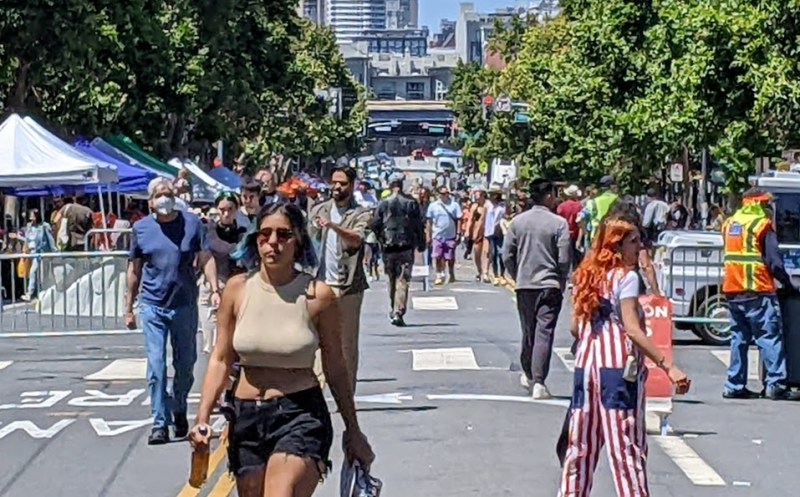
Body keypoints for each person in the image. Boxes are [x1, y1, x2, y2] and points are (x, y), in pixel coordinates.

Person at [191, 202, 374, 497]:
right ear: (255, 240)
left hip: (299, 414)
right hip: (247, 417)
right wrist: (202, 419)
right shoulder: (237, 290)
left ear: (298, 240)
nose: (273, 242)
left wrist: (353, 430)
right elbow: (221, 360)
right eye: (265, 235)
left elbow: (335, 366)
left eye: (283, 234)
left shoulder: (318, 295)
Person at [559, 218, 689, 497]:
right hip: (617, 369)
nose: (639, 247)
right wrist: (668, 366)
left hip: (586, 366)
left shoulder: (586, 275)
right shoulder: (626, 278)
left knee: (581, 445)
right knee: (626, 446)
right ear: (617, 246)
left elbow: (574, 328)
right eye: (633, 242)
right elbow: (632, 329)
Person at [125, 179, 221, 445]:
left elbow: (206, 258)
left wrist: (215, 288)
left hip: (184, 305)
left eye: (168, 194)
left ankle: (178, 406)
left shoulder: (192, 224)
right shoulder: (141, 229)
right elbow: (134, 269)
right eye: (159, 195)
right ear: (151, 201)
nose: (164, 199)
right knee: (156, 367)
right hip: (152, 305)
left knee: (185, 366)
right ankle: (159, 422)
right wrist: (128, 308)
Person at [721, 189, 799, 400]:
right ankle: (776, 385)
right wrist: (787, 283)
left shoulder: (730, 223)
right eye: (766, 204)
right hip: (757, 289)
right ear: (758, 204)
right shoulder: (760, 225)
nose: (769, 208)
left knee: (739, 338)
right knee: (768, 336)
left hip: (733, 289)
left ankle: (734, 385)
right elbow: (774, 262)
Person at [503, 179, 570, 399]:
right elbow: (564, 258)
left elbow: (507, 255)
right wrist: (561, 280)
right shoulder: (559, 224)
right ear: (548, 196)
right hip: (549, 284)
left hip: (524, 284)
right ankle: (539, 381)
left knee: (528, 331)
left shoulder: (517, 222)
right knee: (545, 332)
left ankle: (528, 372)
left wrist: (516, 275)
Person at [309, 166, 372, 391]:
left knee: (346, 345)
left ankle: (346, 396)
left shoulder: (360, 213)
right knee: (315, 340)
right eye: (334, 182)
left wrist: (333, 227)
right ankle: (317, 393)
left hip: (348, 287)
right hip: (320, 284)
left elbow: (356, 240)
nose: (336, 187)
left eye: (342, 183)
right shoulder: (319, 210)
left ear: (352, 186)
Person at [371, 172, 426, 326]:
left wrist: (380, 239)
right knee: (402, 279)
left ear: (390, 185)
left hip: (388, 246)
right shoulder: (411, 203)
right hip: (406, 245)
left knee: (390, 278)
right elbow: (418, 225)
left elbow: (375, 224)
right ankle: (398, 311)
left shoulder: (383, 203)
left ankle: (394, 308)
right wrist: (421, 242)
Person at [199, 191, 248, 353]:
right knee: (211, 341)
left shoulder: (243, 233)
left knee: (232, 339)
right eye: (222, 210)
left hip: (235, 287)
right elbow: (206, 257)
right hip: (211, 286)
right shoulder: (207, 230)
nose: (226, 214)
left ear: (237, 209)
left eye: (230, 209)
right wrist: (215, 289)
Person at [607, 201, 662, 296]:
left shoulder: (609, 229)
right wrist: (657, 294)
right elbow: (647, 265)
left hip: (608, 281)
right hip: (631, 281)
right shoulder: (635, 232)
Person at [10, 210, 56, 301]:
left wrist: (54, 251)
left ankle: (34, 293)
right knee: (33, 272)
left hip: (41, 252)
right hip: (32, 252)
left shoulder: (44, 226)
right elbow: (28, 240)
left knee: (37, 272)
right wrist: (18, 238)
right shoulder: (29, 226)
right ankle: (35, 293)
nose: (31, 217)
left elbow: (50, 239)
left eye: (33, 215)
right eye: (30, 215)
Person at [426, 185, 463, 285]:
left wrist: (458, 233)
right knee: (438, 256)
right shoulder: (433, 206)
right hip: (437, 235)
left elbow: (459, 220)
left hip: (450, 235)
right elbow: (429, 221)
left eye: (447, 193)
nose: (446, 195)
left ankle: (451, 272)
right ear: (439, 194)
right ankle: (439, 274)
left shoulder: (454, 205)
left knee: (449, 257)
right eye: (443, 193)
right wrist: (428, 235)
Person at [580, 176, 619, 244]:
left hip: (596, 237)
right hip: (614, 237)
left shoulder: (592, 202)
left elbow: (580, 219)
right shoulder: (619, 200)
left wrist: (586, 233)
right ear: (612, 186)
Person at [557, 185, 584, 273]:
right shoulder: (579, 206)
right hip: (576, 235)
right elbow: (581, 223)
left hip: (564, 234)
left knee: (565, 257)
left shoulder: (561, 206)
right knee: (577, 259)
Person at [484, 185, 507, 285]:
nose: (491, 196)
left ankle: (502, 274)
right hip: (490, 232)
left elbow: (506, 217)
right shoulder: (488, 205)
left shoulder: (502, 206)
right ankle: (495, 275)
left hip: (500, 232)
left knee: (501, 253)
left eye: (493, 194)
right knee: (493, 254)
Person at [465, 187, 489, 283]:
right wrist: (467, 231)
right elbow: (470, 220)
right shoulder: (474, 207)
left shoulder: (488, 206)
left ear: (483, 195)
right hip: (476, 232)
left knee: (486, 252)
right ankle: (479, 271)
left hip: (487, 232)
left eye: (478, 196)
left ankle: (486, 273)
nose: (476, 198)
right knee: (477, 253)